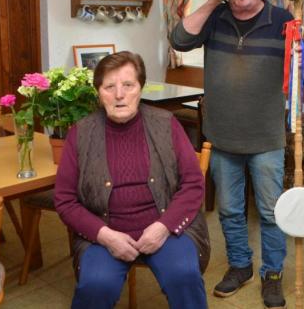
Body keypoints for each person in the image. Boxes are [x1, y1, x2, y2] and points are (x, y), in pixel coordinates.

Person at [170, 0, 304, 309]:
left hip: (266, 138)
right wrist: (210, 0)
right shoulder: (215, 16)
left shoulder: (283, 19)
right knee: (230, 210)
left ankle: (273, 274)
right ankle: (240, 266)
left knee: (269, 212)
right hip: (221, 136)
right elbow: (179, 40)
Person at [54, 51, 210, 309]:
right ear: (98, 92)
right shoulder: (80, 134)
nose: (119, 95)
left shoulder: (166, 124)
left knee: (184, 275)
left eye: (128, 85)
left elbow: (193, 184)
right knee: (95, 285)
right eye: (109, 87)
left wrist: (163, 227)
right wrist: (105, 236)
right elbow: (65, 200)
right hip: (104, 231)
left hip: (165, 227)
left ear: (140, 88)